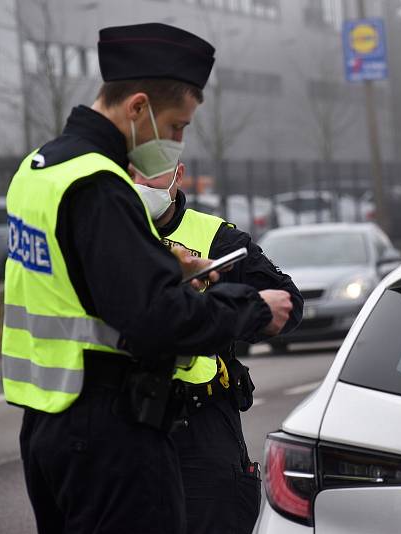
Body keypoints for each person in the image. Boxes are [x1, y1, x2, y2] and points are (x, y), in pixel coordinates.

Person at [2, 23, 292, 534]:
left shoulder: (40, 169)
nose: (179, 143)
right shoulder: (99, 183)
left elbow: (79, 284)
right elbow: (156, 320)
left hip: (48, 429)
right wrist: (256, 309)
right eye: (178, 126)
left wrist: (165, 269)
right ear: (137, 108)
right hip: (110, 434)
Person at [129, 161, 303, 534]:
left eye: (150, 174)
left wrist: (221, 300)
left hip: (199, 423)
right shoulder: (105, 234)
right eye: (130, 173)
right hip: (121, 421)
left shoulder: (218, 239)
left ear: (178, 173)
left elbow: (287, 306)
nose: (140, 183)